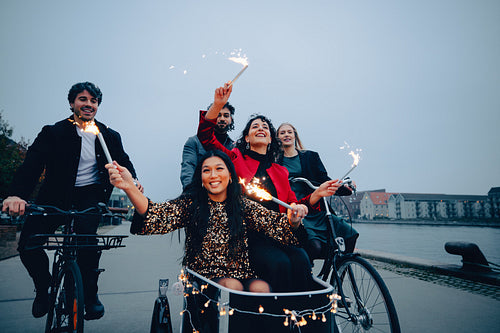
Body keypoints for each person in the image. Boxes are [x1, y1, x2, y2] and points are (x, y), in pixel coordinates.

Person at [1, 82, 142, 320]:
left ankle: (90, 294)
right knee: (28, 244)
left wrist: (134, 182)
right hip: (54, 196)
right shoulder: (53, 132)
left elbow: (123, 163)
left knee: (88, 243)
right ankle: (44, 287)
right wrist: (17, 195)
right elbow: (31, 166)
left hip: (90, 196)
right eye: (83, 99)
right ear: (72, 103)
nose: (88, 104)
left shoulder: (108, 135)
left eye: (93, 101)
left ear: (98, 105)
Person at [197, 83, 341, 292]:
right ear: (246, 138)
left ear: (271, 138)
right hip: (248, 238)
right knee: (278, 264)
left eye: (265, 126)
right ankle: (277, 318)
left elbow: (293, 204)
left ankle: (300, 317)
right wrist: (217, 106)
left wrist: (316, 195)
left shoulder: (280, 171)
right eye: (255, 126)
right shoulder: (234, 159)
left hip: (280, 235)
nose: (261, 128)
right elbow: (206, 138)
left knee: (301, 259)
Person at [107, 150, 306, 292]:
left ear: (230, 175)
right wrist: (129, 187)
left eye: (219, 169)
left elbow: (277, 225)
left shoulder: (243, 205)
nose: (213, 175)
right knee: (232, 287)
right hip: (205, 276)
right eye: (206, 170)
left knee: (262, 288)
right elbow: (157, 215)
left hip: (242, 272)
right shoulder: (191, 204)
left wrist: (293, 220)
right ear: (201, 178)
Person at [277, 122, 359, 261]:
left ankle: (340, 269)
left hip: (315, 207)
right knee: (314, 246)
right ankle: (306, 274)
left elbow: (323, 180)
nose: (286, 135)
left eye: (289, 132)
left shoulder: (311, 156)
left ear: (295, 135)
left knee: (350, 234)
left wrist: (345, 189)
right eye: (282, 133)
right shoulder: (275, 160)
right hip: (295, 208)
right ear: (278, 138)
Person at [180, 102, 235, 189]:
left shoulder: (234, 147)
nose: (222, 119)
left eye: (226, 115)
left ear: (231, 119)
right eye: (218, 115)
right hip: (199, 194)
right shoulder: (194, 142)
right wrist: (190, 194)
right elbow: (188, 170)